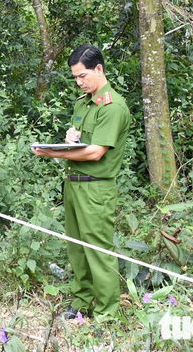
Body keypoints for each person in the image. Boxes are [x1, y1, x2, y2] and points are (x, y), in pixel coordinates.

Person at [31, 45, 130, 319]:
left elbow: (96, 151)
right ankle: (82, 302)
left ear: (99, 69)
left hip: (96, 187)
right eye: (75, 77)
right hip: (73, 184)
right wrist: (69, 140)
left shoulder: (112, 106)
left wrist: (50, 152)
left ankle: (107, 312)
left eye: (83, 76)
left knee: (98, 251)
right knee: (76, 248)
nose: (79, 82)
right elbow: (81, 143)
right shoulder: (82, 102)